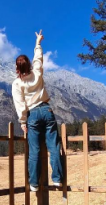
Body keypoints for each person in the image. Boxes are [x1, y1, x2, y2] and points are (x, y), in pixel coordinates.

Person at [11, 30, 63, 192]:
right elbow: (39, 59)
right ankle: (57, 180)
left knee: (35, 150)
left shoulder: (17, 84)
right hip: (47, 110)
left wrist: (23, 122)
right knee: (53, 147)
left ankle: (34, 183)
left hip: (32, 114)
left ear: (17, 69)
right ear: (29, 65)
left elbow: (20, 105)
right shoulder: (37, 74)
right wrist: (38, 43)